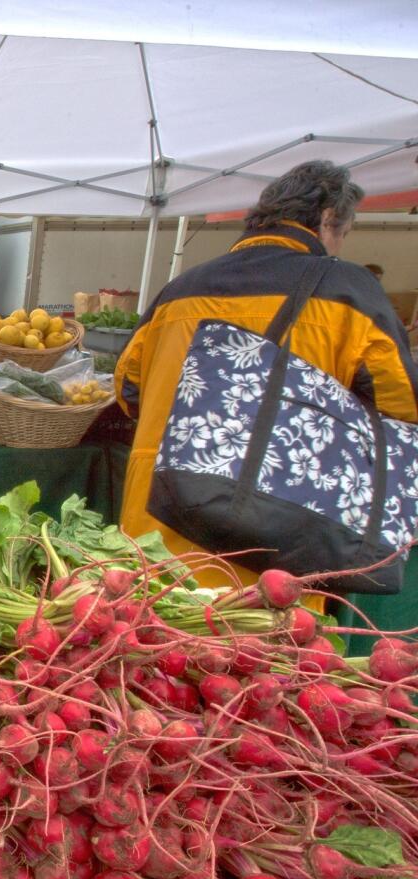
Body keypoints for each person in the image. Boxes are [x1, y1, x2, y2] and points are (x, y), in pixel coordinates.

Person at [115, 160, 418, 594]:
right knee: (261, 655)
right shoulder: (347, 289)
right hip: (272, 533)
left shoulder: (181, 287)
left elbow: (129, 391)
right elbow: (402, 404)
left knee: (151, 636)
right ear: (328, 219)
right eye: (342, 234)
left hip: (160, 520)